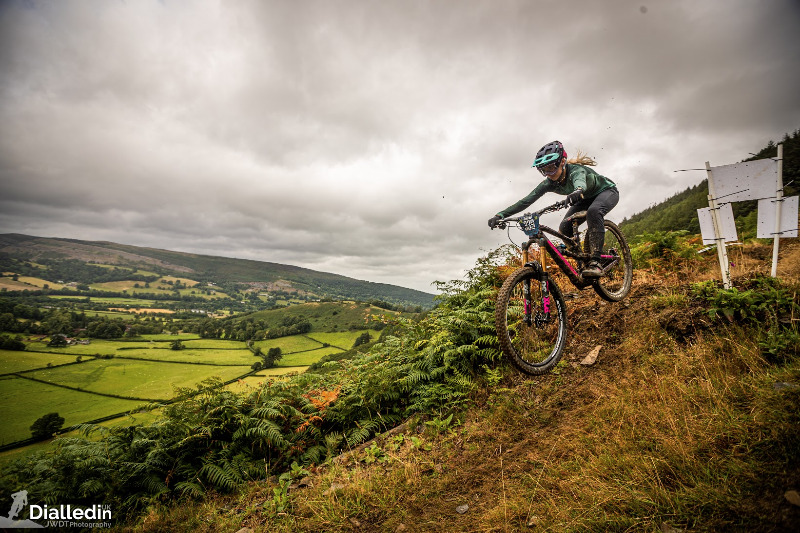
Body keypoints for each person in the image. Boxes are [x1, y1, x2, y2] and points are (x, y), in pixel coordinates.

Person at [488, 140, 619, 278]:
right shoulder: (549, 183)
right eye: (543, 170)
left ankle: (596, 262)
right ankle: (582, 258)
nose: (548, 173)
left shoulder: (575, 170)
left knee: (594, 212)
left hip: (606, 192)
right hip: (582, 199)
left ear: (562, 162)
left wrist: (578, 190)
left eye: (550, 168)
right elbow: (526, 201)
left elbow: (579, 181)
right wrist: (501, 215)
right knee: (564, 229)